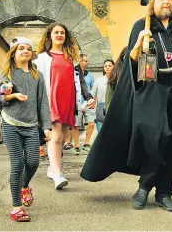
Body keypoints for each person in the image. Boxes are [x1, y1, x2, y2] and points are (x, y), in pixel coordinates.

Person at [81, 0, 172, 213]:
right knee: (156, 137)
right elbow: (132, 63)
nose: (166, 2)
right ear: (152, 4)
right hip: (152, 90)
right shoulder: (141, 26)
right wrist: (139, 44)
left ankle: (165, 193)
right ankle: (144, 186)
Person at [0, 37, 51, 222]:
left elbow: (43, 103)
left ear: (32, 54)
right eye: (21, 48)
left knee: (33, 162)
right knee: (17, 164)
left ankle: (24, 186)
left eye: (28, 49)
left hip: (31, 126)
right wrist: (11, 96)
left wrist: (46, 126)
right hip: (11, 124)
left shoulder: (37, 75)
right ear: (13, 53)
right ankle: (17, 207)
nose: (25, 51)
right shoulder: (7, 72)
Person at [34, 22, 95, 189]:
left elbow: (80, 81)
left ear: (65, 36)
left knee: (62, 138)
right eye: (56, 32)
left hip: (68, 100)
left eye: (62, 32)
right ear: (50, 36)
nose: (59, 35)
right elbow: (36, 81)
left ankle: (52, 169)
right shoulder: (41, 58)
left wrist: (88, 96)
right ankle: (58, 175)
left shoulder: (73, 59)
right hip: (50, 99)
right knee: (56, 136)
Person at [72, 54, 96, 155]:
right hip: (76, 103)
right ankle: (76, 146)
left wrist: (91, 99)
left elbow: (86, 87)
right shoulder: (72, 69)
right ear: (79, 61)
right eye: (85, 61)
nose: (87, 62)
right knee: (76, 125)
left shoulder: (89, 75)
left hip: (87, 102)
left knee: (91, 123)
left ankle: (86, 144)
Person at [92, 59, 114, 133]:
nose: (107, 67)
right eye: (105, 66)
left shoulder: (117, 80)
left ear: (114, 67)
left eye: (110, 66)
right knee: (101, 131)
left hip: (114, 107)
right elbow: (92, 93)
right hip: (101, 107)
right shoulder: (99, 80)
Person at [105, 47, 128, 112]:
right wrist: (108, 110)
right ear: (123, 56)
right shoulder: (116, 71)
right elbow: (109, 94)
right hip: (119, 107)